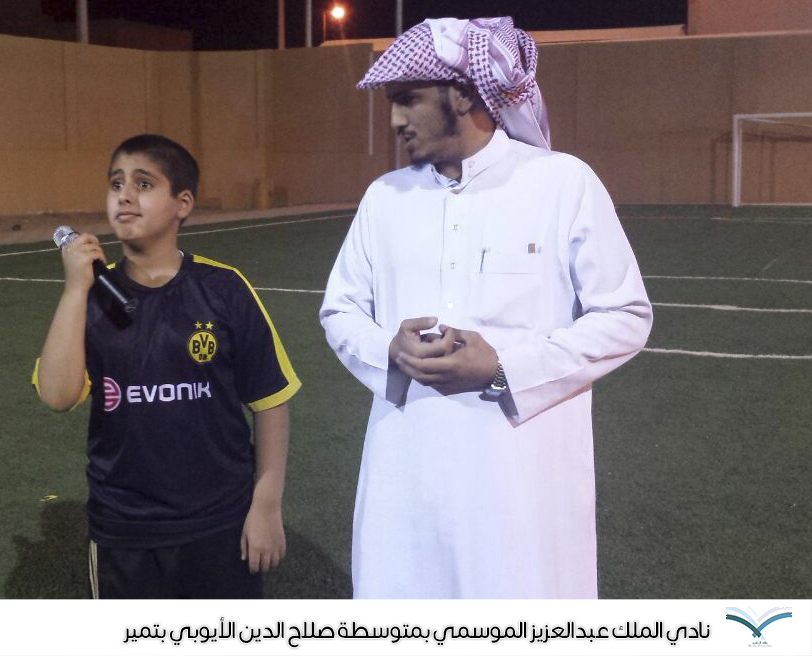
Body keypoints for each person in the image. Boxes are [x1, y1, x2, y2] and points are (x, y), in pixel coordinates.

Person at [319, 17, 653, 598]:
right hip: (407, 474)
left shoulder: (561, 183)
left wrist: (504, 368)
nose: (394, 120)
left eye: (407, 99)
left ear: (463, 94)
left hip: (522, 483)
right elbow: (340, 309)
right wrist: (389, 351)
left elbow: (625, 315)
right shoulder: (385, 198)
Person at [34, 134, 300, 598]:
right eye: (116, 183)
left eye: (143, 184)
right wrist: (75, 290)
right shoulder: (90, 301)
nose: (125, 196)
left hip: (221, 522)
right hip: (125, 529)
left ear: (183, 203)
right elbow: (57, 396)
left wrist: (266, 504)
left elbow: (270, 400)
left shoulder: (224, 289)